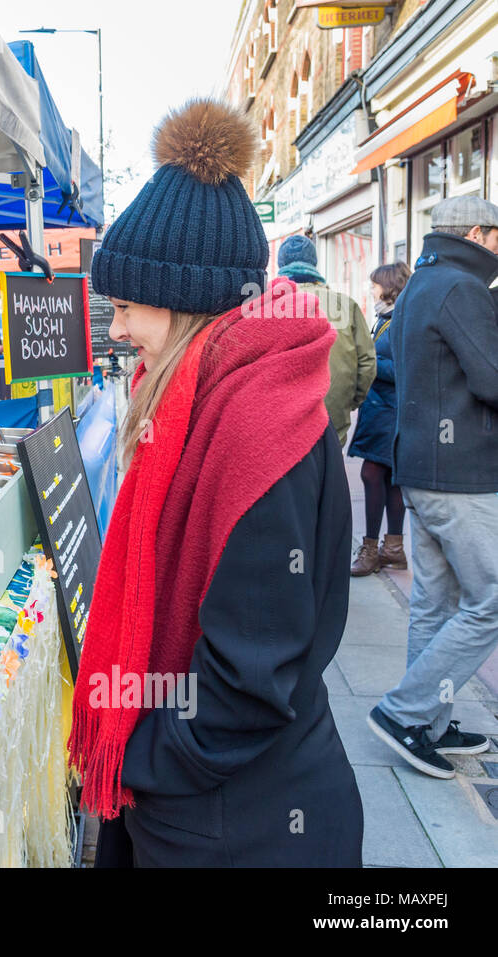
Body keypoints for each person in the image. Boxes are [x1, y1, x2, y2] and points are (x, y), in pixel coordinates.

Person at [72, 98, 362, 866]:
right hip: (226, 805)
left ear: (187, 300)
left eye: (128, 306)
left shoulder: (256, 428)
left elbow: (246, 678)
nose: (117, 328)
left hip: (243, 824)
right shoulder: (217, 393)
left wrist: (137, 755)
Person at [367, 195, 498, 779]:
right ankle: (404, 712)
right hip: (461, 473)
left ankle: (429, 724)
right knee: (491, 601)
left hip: (418, 468)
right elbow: (492, 380)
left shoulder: (421, 283)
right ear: (477, 233)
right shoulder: (465, 289)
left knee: (435, 605)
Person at [276, 233, 376, 447]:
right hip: (333, 415)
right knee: (329, 475)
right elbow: (367, 363)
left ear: (281, 264)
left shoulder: (265, 305)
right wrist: (350, 401)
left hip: (281, 419)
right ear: (314, 263)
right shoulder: (345, 305)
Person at [347, 262, 411, 576]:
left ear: (388, 286)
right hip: (385, 410)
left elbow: (405, 370)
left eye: (375, 285)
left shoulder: (400, 319)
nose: (371, 290)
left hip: (391, 411)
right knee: (388, 478)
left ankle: (372, 550)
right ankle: (393, 550)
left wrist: (369, 365)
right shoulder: (388, 316)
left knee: (374, 476)